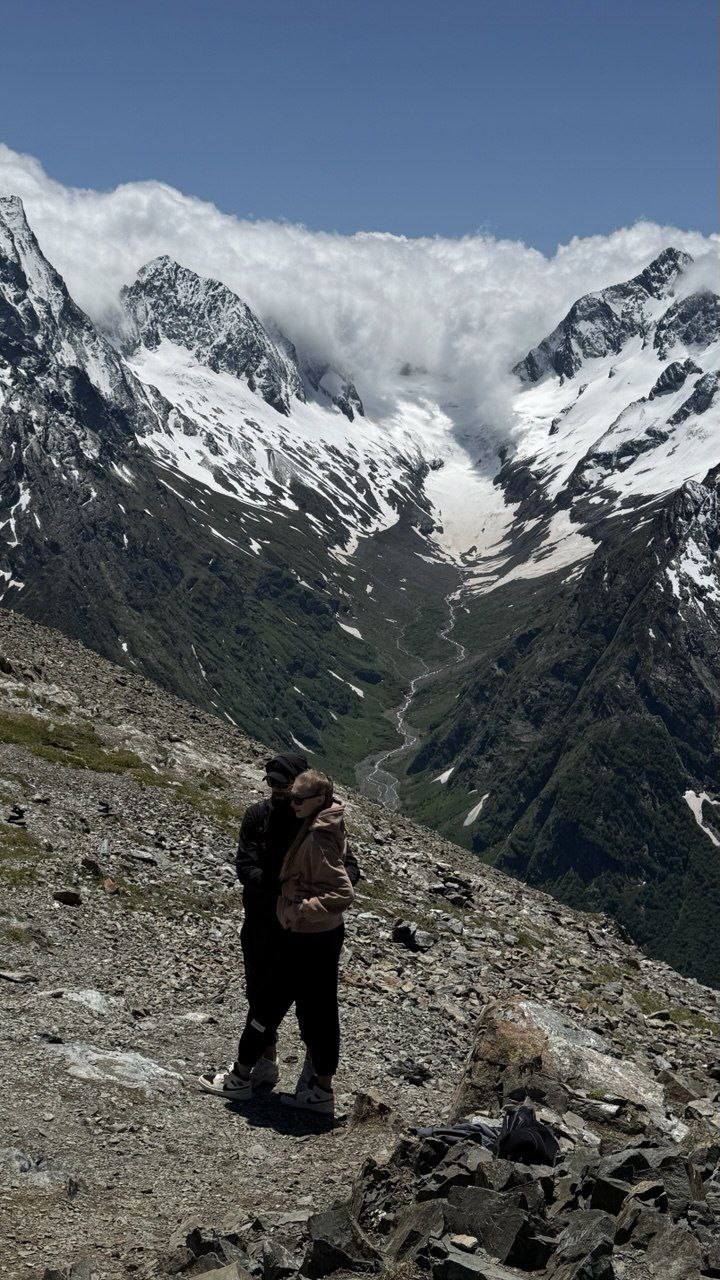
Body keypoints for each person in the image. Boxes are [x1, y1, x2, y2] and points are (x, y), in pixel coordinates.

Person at [200, 760, 357, 1113]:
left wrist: (299, 904)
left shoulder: (315, 831)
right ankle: (307, 1085)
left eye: (294, 792)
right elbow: (247, 866)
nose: (288, 798)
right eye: (283, 789)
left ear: (314, 796)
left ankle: (245, 1076)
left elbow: (343, 883)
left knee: (270, 1003)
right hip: (279, 927)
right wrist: (284, 894)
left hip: (297, 931)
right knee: (307, 1006)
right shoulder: (287, 818)